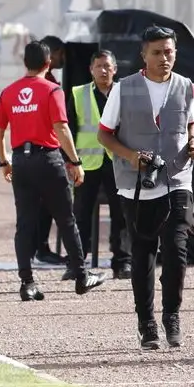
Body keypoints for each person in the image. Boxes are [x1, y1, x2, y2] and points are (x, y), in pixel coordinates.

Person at [97, 26, 194, 350]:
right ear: (143, 55)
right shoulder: (124, 89)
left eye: (169, 51)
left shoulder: (187, 87)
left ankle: (172, 315)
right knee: (143, 253)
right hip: (137, 186)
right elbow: (104, 134)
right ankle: (147, 322)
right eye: (156, 52)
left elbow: (190, 123)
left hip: (178, 178)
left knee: (177, 250)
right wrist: (130, 156)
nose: (164, 58)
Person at [0, 39, 107, 301]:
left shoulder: (8, 92)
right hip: (48, 160)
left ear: (25, 63)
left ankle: (27, 282)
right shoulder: (52, 90)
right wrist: (76, 162)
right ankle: (81, 275)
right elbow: (61, 128)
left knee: (25, 224)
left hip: (21, 161)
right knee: (66, 219)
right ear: (48, 63)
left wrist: (3, 161)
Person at [65, 50, 131, 279]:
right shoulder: (78, 93)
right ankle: (76, 265)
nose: (103, 70)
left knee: (121, 214)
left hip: (119, 161)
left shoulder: (127, 93)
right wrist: (70, 160)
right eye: (99, 66)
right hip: (87, 163)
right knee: (80, 213)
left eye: (107, 66)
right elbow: (69, 129)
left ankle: (122, 263)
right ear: (90, 69)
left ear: (115, 69)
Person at [31, 35, 70, 266]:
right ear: (52, 54)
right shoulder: (48, 84)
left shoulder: (42, 82)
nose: (63, 59)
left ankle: (37, 248)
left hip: (31, 150)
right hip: (46, 148)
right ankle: (41, 249)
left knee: (39, 203)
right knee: (46, 202)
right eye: (61, 54)